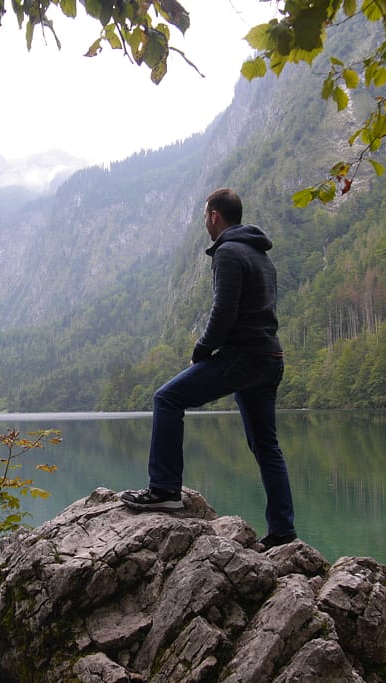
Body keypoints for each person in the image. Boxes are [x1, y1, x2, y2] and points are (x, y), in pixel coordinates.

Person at [120, 188, 297, 548]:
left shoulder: (228, 252)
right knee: (267, 447)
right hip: (269, 358)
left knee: (167, 399)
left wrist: (202, 350)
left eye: (204, 216)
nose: (204, 222)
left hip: (243, 356)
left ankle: (164, 489)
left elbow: (224, 311)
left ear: (214, 216)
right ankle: (283, 532)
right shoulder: (262, 257)